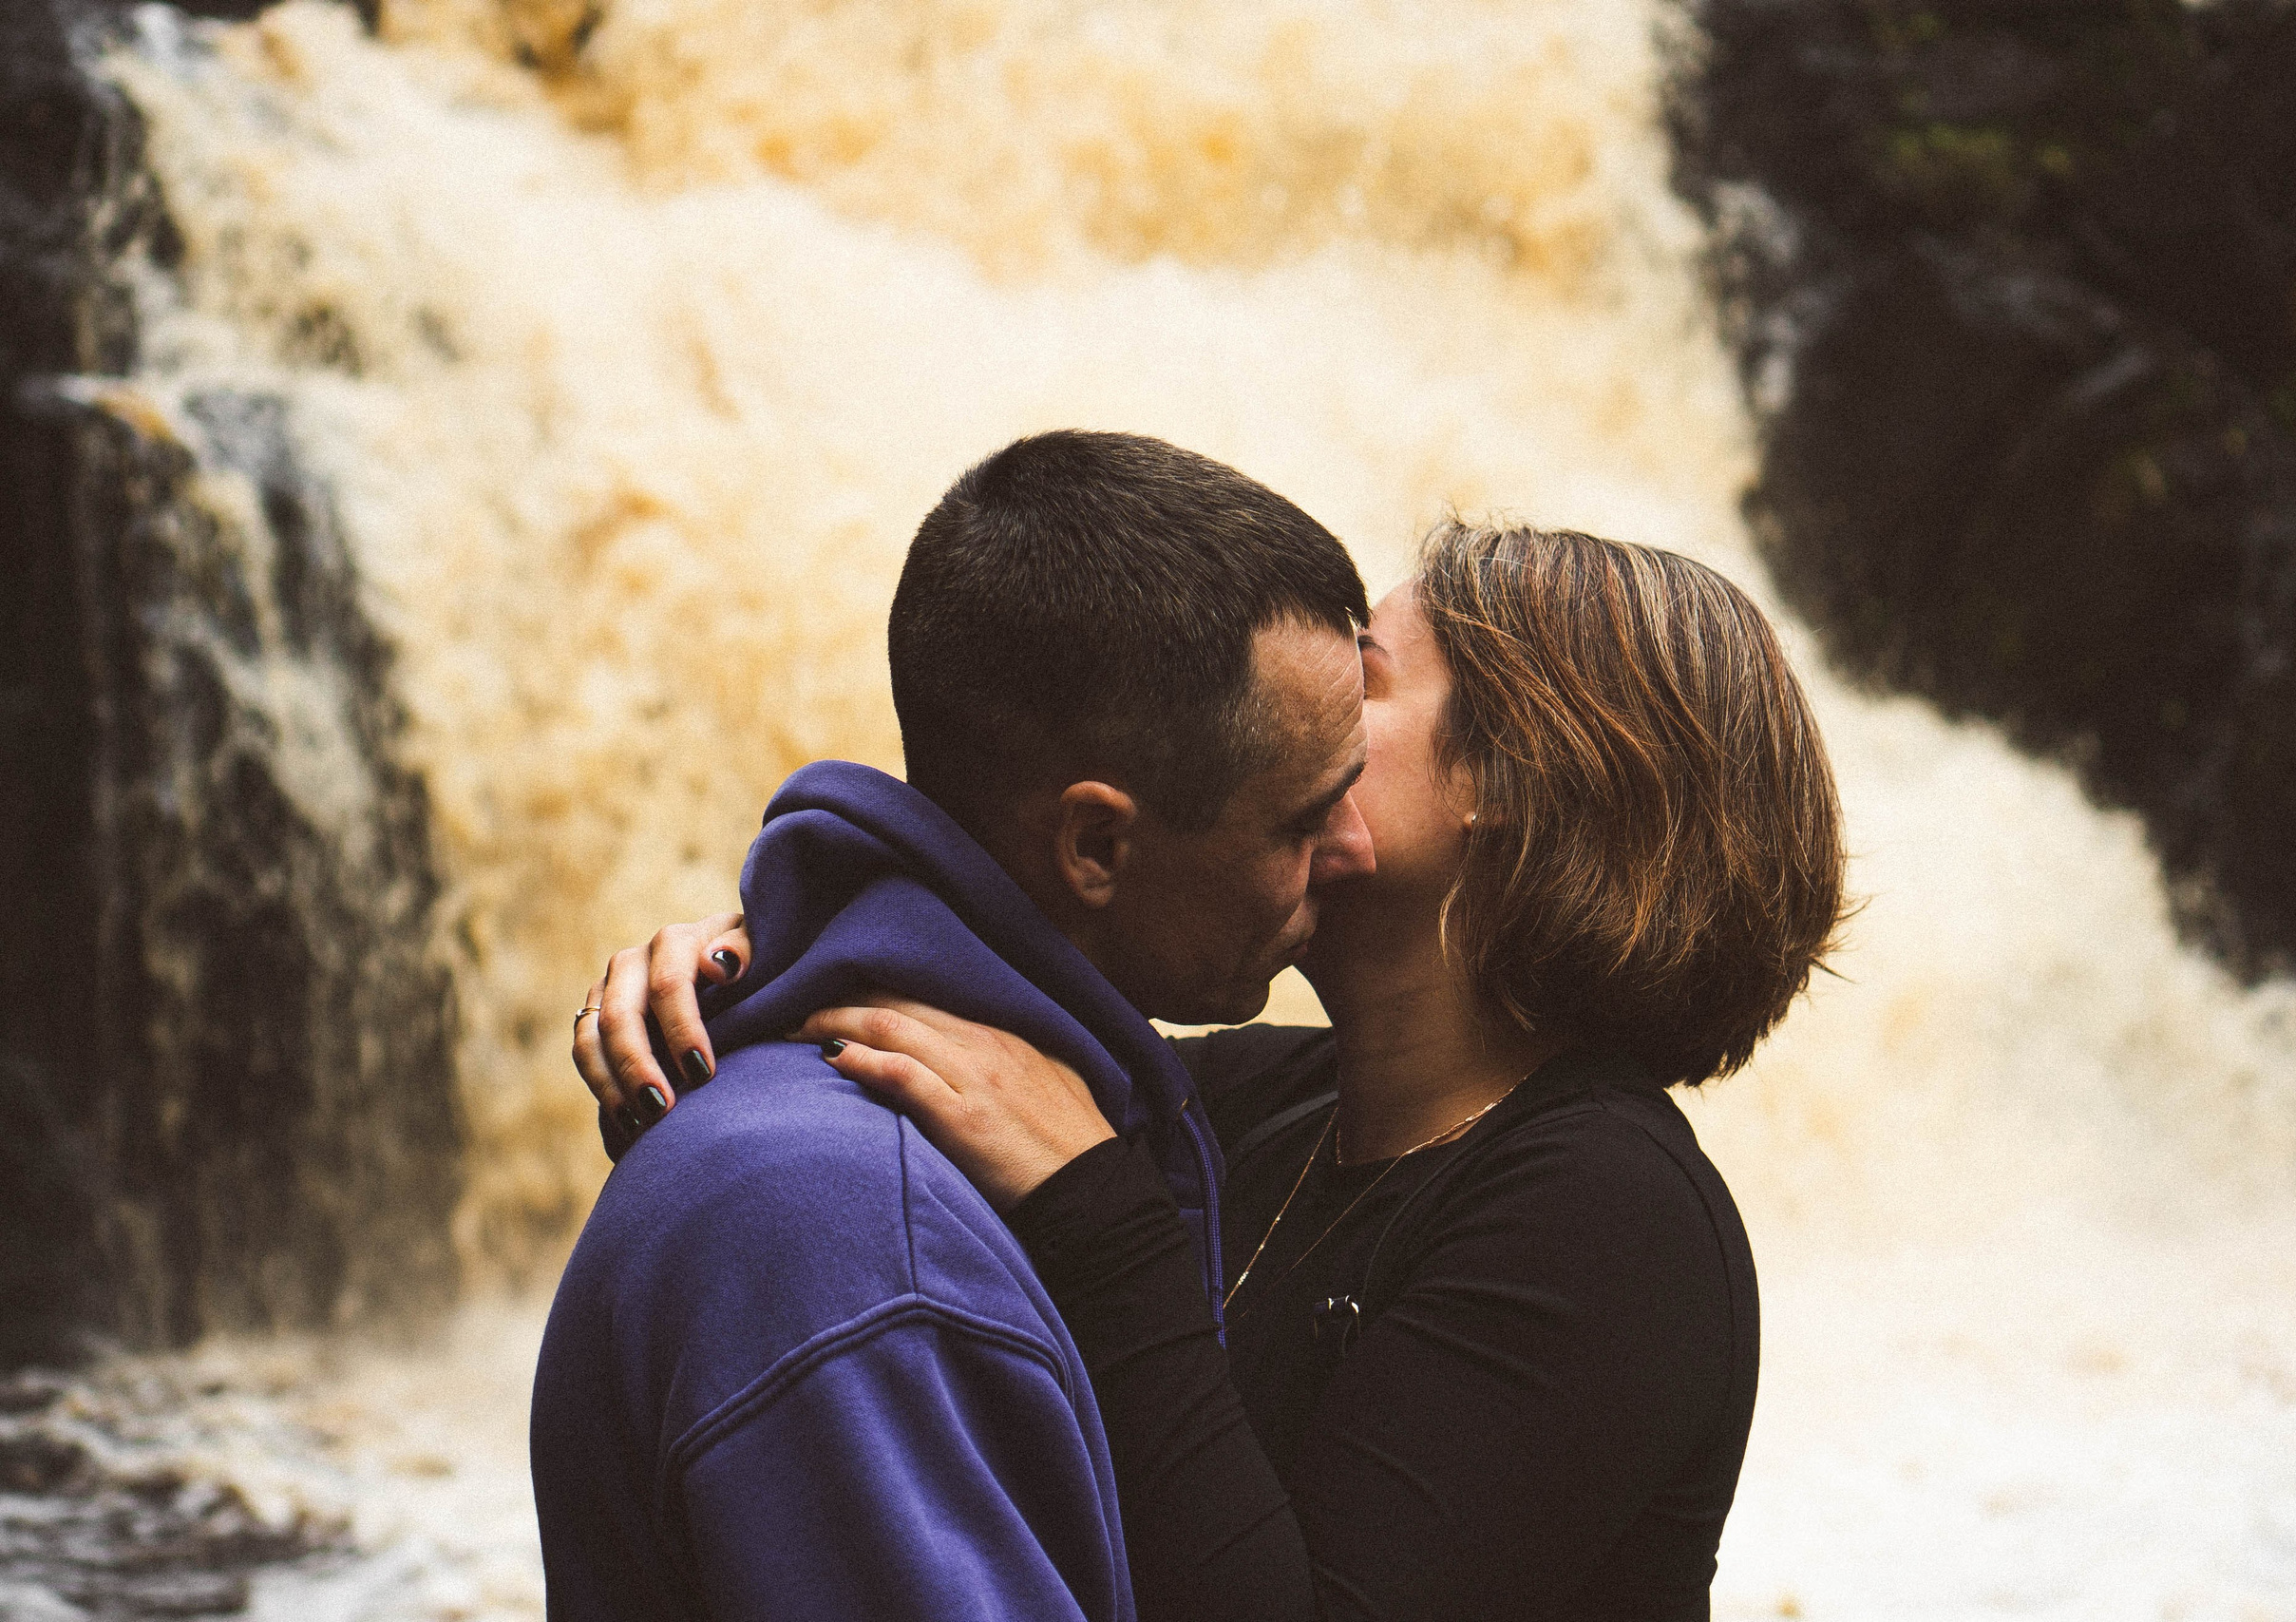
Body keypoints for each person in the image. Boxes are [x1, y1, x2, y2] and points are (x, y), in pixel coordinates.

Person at [587, 520, 1848, 1620]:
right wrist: (746, 967)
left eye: (1359, 679)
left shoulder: (1607, 1214)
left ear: (1511, 777)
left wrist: (1101, 1218)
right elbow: (955, 1038)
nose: (1285, 718)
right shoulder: (1259, 1100)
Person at [532, 429, 1377, 1622]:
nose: (1359, 849)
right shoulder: (860, 1249)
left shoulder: (1009, 1122)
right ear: (1096, 847)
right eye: (1305, 817)